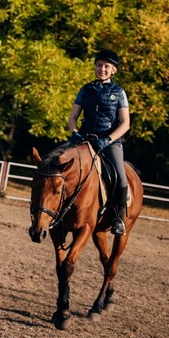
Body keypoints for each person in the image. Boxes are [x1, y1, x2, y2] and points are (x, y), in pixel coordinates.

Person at [67, 49, 131, 234]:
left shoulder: (119, 93)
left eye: (106, 66)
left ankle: (118, 218)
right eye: (99, 65)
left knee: (120, 178)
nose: (102, 69)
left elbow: (125, 123)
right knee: (60, 165)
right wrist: (75, 133)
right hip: (84, 139)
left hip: (109, 142)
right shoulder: (85, 89)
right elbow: (73, 117)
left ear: (113, 70)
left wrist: (108, 140)